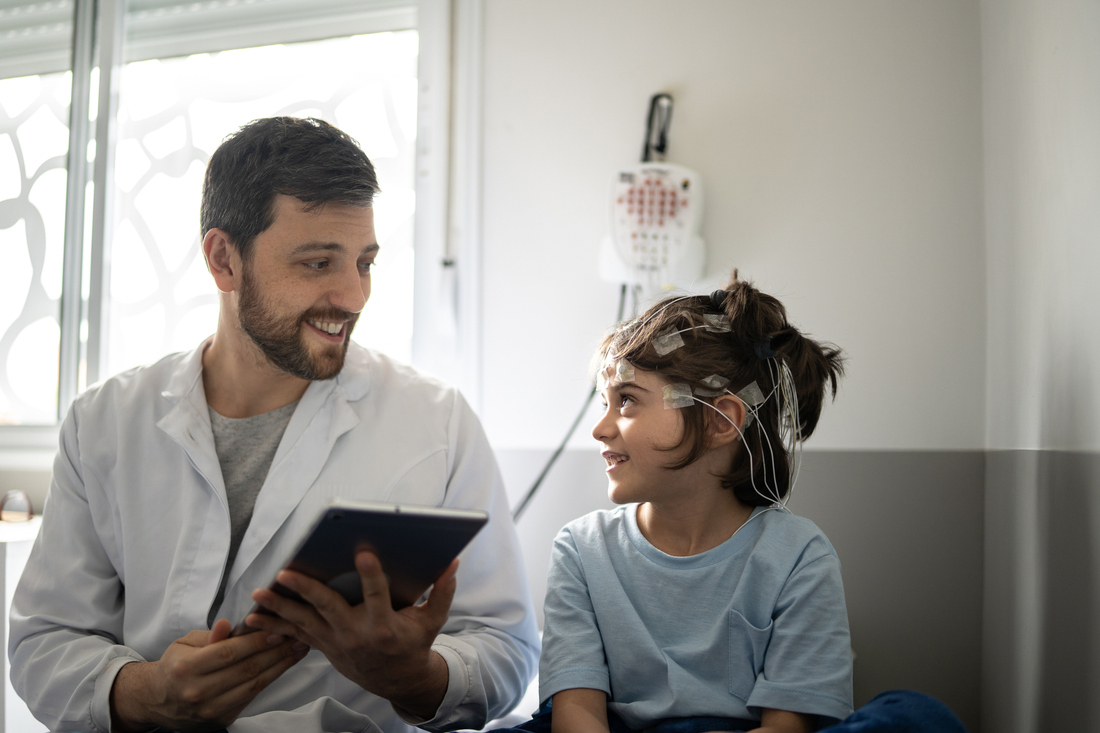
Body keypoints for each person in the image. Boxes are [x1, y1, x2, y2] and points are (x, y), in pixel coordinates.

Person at [8, 116, 539, 733]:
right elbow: (45, 640)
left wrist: (415, 677)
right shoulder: (104, 422)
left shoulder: (436, 422)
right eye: (318, 263)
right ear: (222, 259)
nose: (353, 296)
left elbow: (506, 647)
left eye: (364, 262)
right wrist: (144, 692)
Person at [499, 272, 853, 733]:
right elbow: (576, 714)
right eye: (603, 403)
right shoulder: (582, 550)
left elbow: (788, 726)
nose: (600, 428)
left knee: (911, 715)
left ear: (720, 421)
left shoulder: (798, 556)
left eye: (626, 400)